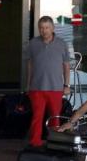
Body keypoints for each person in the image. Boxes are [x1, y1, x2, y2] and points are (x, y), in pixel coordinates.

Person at [25, 16, 71, 148]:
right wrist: (28, 85)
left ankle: (54, 142)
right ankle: (35, 143)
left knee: (55, 118)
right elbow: (30, 65)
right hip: (37, 87)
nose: (44, 30)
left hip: (55, 88)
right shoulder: (33, 43)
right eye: (41, 28)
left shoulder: (62, 44)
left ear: (53, 28)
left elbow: (66, 66)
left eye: (47, 28)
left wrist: (67, 85)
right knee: (37, 117)